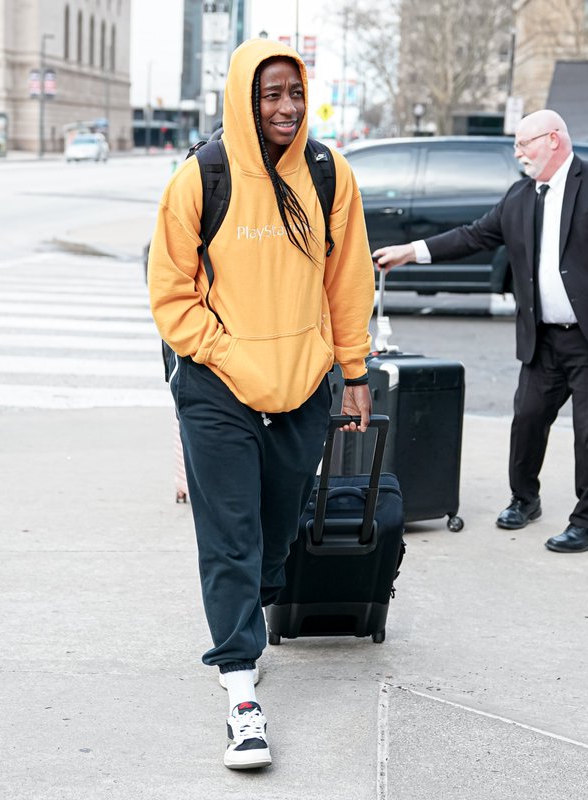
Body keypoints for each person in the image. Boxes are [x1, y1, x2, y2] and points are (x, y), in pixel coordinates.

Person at [147, 38, 375, 770]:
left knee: (278, 532)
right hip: (218, 387)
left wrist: (355, 369)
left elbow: (346, 283)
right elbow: (170, 294)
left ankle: (249, 613)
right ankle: (241, 689)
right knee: (231, 538)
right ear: (245, 98)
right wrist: (222, 354)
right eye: (270, 94)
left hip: (303, 386)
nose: (285, 107)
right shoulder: (201, 177)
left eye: (295, 94)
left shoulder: (329, 174)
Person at [372, 109, 588, 554]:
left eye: (525, 143)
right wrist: (411, 251)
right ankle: (525, 499)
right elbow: (473, 235)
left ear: (554, 140)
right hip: (544, 339)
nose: (518, 152)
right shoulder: (521, 195)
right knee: (526, 420)